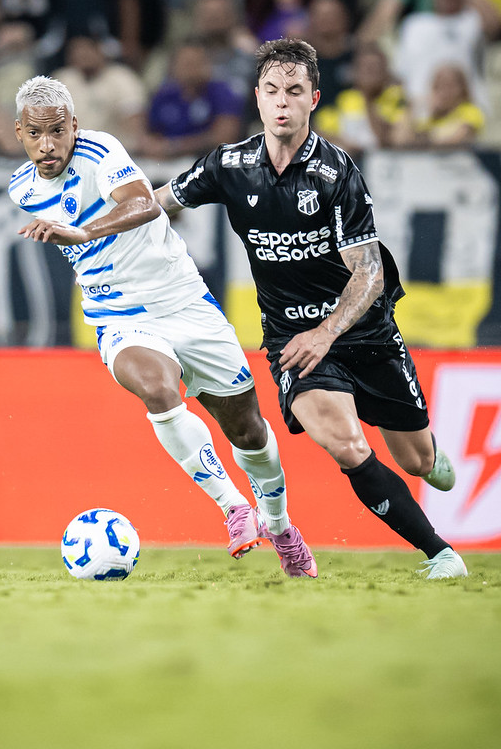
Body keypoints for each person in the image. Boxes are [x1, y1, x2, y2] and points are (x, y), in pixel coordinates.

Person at [154, 37, 468, 580]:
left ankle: (430, 451)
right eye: (272, 90)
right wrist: (89, 222)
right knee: (347, 444)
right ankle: (442, 555)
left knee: (417, 462)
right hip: (292, 341)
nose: (282, 101)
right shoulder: (230, 164)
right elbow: (155, 203)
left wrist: (326, 332)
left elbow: (368, 273)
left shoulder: (336, 171)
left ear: (313, 99)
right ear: (257, 98)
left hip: (363, 331)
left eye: (294, 91)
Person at [11, 75, 316, 577]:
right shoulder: (21, 189)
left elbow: (144, 202)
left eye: (58, 131)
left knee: (248, 430)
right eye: (37, 134)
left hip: (183, 301)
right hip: (117, 313)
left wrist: (83, 230)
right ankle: (233, 507)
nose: (49, 145)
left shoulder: (99, 150)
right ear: (19, 132)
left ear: (75, 126)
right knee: (157, 387)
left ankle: (280, 526)